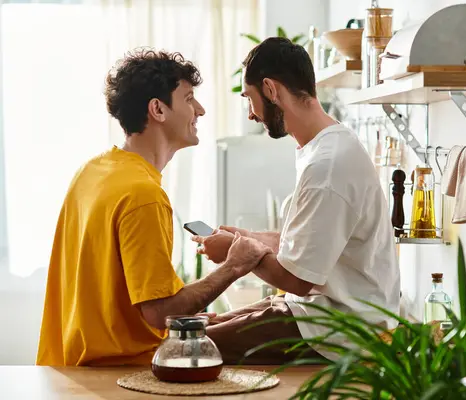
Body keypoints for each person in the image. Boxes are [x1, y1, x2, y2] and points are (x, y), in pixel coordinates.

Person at [36, 49, 272, 367]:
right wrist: (234, 266)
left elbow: (122, 299)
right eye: (189, 99)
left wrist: (189, 316)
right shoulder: (143, 194)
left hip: (67, 369)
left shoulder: (92, 171)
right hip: (116, 376)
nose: (200, 110)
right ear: (158, 109)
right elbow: (160, 312)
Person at [193, 37, 401, 364]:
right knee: (205, 325)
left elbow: (299, 280)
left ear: (271, 90)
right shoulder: (325, 146)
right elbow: (308, 243)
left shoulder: (327, 165)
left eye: (250, 99)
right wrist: (244, 239)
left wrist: (239, 257)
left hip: (338, 331)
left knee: (189, 347)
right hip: (319, 314)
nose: (251, 114)